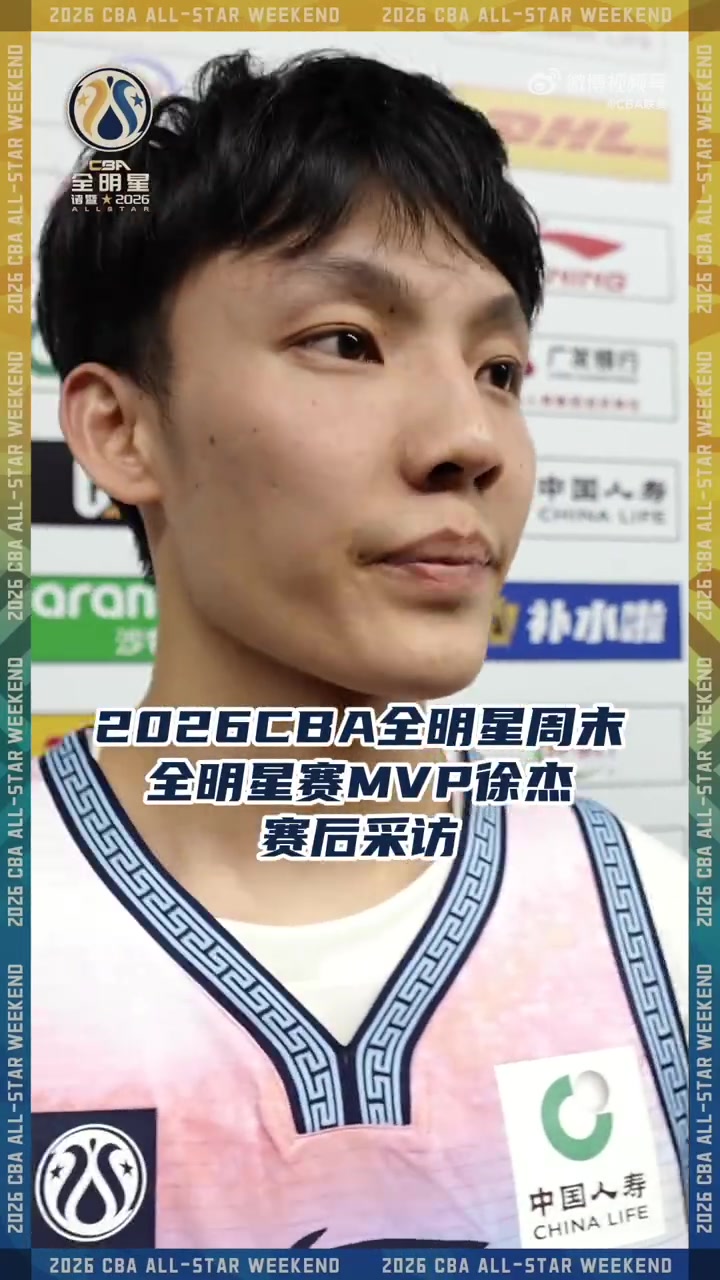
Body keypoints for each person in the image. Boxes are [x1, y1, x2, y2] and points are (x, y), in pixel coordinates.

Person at [32, 49, 688, 1250]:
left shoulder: (648, 919)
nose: (469, 438)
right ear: (121, 430)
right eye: (346, 341)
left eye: (499, 370)